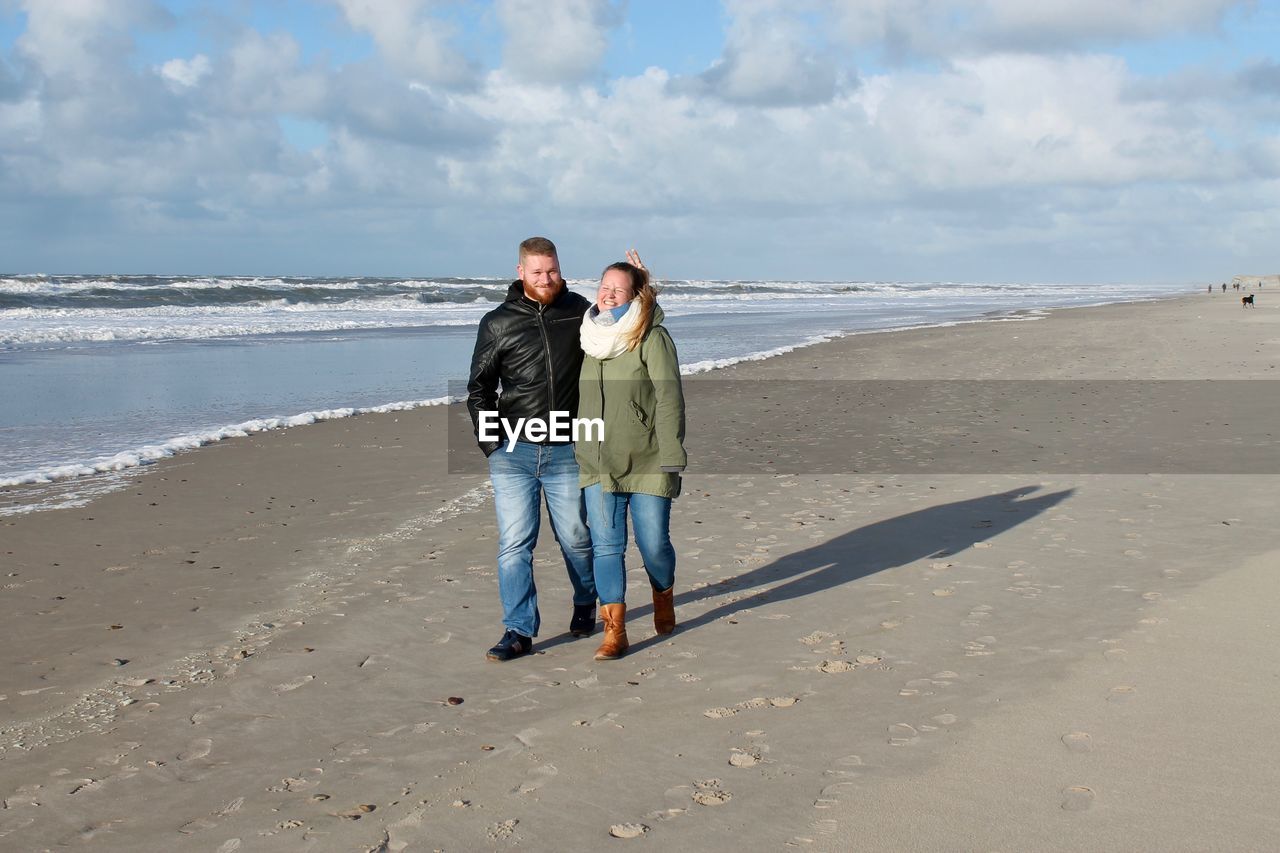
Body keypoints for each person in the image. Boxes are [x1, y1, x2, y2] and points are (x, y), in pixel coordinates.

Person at [467, 237, 597, 661]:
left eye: (553, 270)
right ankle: (518, 630)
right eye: (538, 271)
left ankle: (585, 602)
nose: (546, 279)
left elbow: (627, 330)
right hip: (514, 453)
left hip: (566, 448)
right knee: (515, 543)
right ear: (520, 271)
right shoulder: (497, 322)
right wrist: (492, 444)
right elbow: (479, 389)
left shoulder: (580, 311)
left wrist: (643, 282)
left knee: (576, 537)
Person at [575, 251, 687, 661]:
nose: (608, 295)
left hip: (649, 458)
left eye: (619, 289)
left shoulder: (652, 336)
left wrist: (672, 456)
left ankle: (663, 593)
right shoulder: (589, 336)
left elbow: (670, 397)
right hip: (598, 460)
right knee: (606, 546)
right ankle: (615, 631)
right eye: (604, 287)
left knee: (654, 544)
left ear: (635, 295)